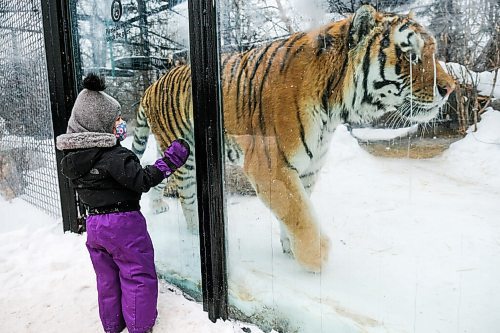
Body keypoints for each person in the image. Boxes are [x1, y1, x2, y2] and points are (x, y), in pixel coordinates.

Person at [56, 73, 190, 333]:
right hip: (123, 224)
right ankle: (139, 327)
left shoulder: (73, 161)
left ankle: (112, 325)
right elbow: (141, 181)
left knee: (107, 279)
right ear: (100, 124)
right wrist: (171, 159)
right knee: (137, 274)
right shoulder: (115, 157)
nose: (120, 123)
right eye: (115, 119)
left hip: (95, 225)